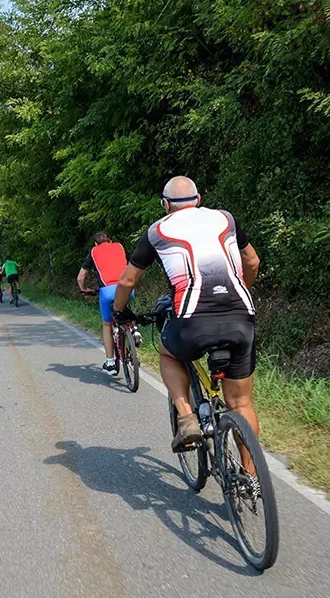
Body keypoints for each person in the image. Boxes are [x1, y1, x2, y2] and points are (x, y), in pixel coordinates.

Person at [112, 176, 261, 455]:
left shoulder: (157, 231)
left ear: (165, 204)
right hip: (241, 316)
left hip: (193, 321)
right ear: (199, 199)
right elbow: (252, 261)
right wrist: (240, 293)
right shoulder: (225, 219)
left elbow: (128, 281)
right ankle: (251, 480)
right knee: (241, 403)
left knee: (168, 353)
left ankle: (186, 417)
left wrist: (119, 312)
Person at [77, 232, 130, 376]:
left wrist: (84, 290)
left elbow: (81, 277)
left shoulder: (94, 252)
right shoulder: (119, 246)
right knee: (126, 310)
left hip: (107, 291)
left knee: (107, 324)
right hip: (126, 287)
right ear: (110, 240)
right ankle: (134, 330)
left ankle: (110, 363)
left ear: (95, 244)